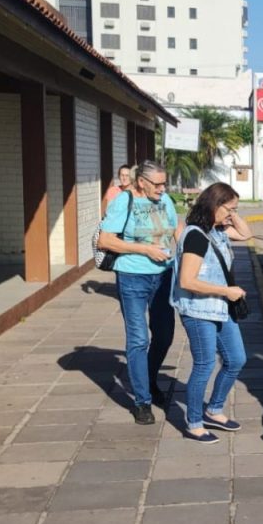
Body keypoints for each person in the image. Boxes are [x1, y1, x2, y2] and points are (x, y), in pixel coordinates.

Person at [98, 160, 183, 425]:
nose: (162, 188)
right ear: (141, 182)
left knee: (165, 334)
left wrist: (188, 255)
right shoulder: (124, 201)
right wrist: (145, 249)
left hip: (163, 275)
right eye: (157, 184)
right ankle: (142, 401)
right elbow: (105, 239)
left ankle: (148, 377)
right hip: (132, 276)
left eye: (164, 183)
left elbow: (175, 229)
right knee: (137, 339)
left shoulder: (165, 200)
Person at [172, 183, 252, 443]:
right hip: (198, 310)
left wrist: (232, 211)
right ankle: (194, 422)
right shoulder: (195, 235)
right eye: (229, 209)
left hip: (220, 308)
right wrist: (225, 291)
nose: (232, 215)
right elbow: (187, 281)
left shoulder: (218, 230)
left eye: (234, 210)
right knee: (204, 364)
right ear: (213, 206)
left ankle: (214, 410)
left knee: (236, 359)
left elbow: (246, 234)